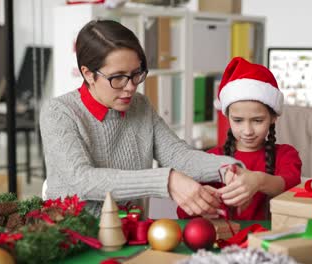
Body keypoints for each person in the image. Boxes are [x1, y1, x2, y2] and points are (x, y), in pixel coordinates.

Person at [39, 20, 241, 217]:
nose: (131, 87)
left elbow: (178, 156)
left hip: (133, 234)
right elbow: (81, 180)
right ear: (88, 74)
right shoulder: (58, 112)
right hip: (73, 239)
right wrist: (167, 180)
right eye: (117, 77)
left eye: (136, 74)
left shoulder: (140, 105)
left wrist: (229, 168)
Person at [178, 57, 302, 220]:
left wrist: (258, 180)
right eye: (238, 120)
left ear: (273, 118)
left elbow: (290, 184)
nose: (248, 131)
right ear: (228, 117)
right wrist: (204, 202)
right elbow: (183, 211)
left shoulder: (285, 154)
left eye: (258, 121)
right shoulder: (213, 158)